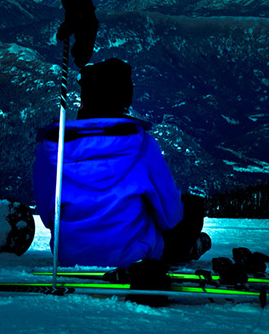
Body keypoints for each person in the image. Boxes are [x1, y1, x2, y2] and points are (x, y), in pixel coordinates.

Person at [33, 58, 210, 268]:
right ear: (125, 98)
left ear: (84, 98)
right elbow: (170, 217)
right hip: (134, 255)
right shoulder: (142, 144)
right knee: (192, 205)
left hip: (68, 254)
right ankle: (188, 248)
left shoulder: (52, 147)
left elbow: (47, 215)